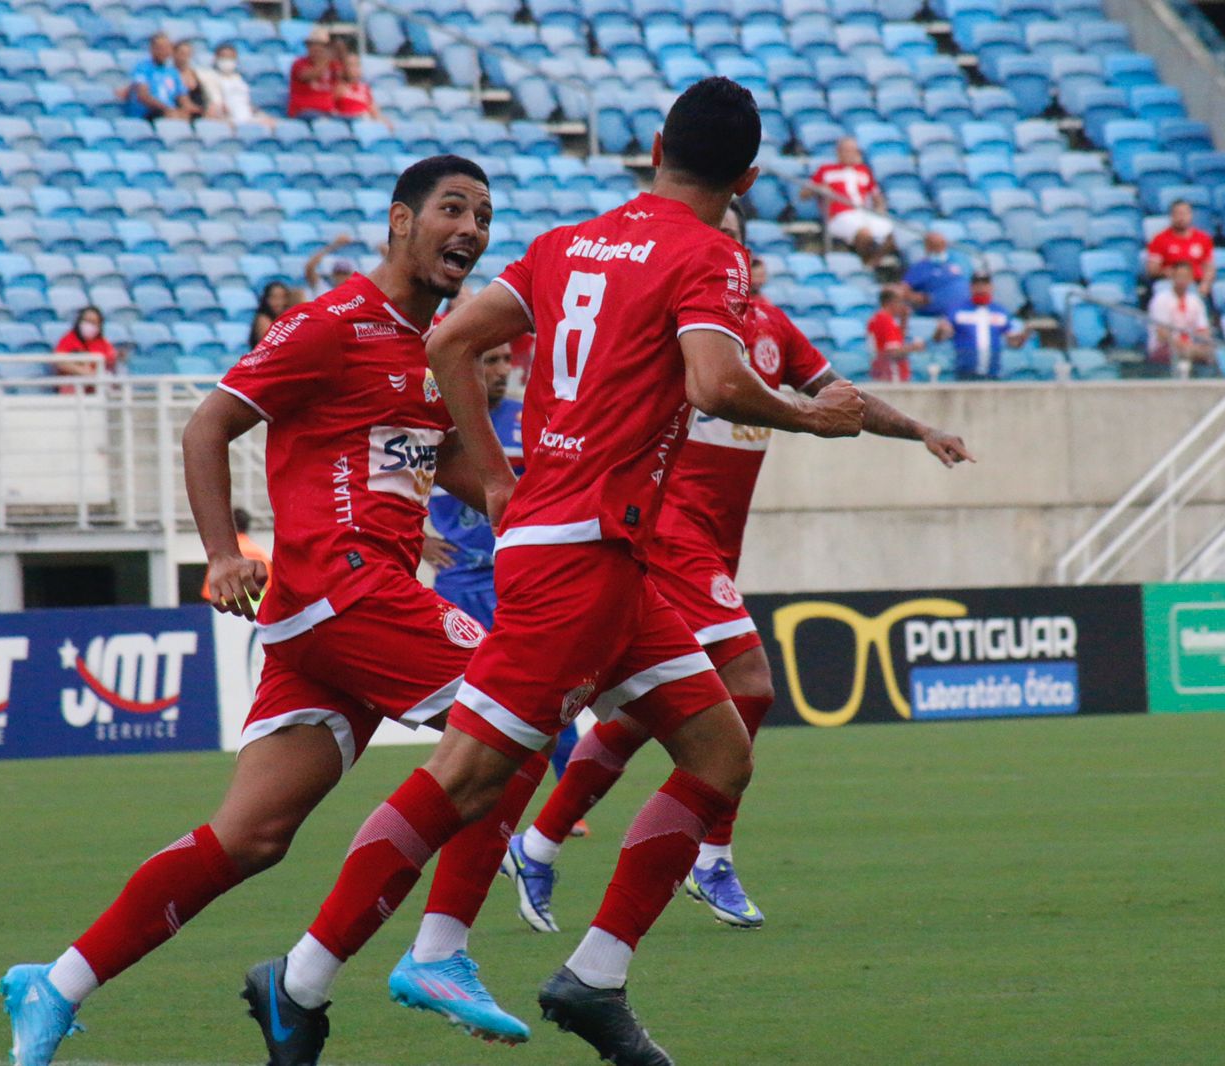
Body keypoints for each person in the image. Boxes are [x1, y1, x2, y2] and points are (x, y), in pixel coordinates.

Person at [245, 77, 865, 1066]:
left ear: (655, 142)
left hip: (606, 556)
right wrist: (810, 415)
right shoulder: (708, 252)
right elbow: (712, 380)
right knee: (467, 773)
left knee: (719, 751)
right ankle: (302, 978)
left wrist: (492, 478)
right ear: (747, 176)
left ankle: (594, 978)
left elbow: (450, 339)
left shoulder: (570, 240)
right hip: (579, 556)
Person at [0, 156, 548, 1065]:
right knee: (513, 718)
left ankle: (54, 984)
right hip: (341, 588)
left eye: (486, 215)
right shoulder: (333, 322)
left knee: (250, 837)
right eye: (453, 208)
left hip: (340, 610)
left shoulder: (436, 343)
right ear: (399, 222)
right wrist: (223, 552)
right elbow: (207, 423)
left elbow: (446, 466)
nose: (473, 229)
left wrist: (549, 488)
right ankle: (434, 952)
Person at [506, 200, 969, 934]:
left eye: (735, 246)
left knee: (644, 712)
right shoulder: (666, 310)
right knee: (750, 684)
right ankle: (710, 854)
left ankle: (535, 845)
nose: (725, 257)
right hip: (669, 531)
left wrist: (920, 430)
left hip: (716, 545)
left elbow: (839, 398)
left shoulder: (773, 329)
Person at [421, 342, 588, 826]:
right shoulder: (443, 423)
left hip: (522, 579)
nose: (499, 371)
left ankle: (564, 809)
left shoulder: (528, 419)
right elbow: (396, 477)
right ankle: (474, 801)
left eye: (502, 361)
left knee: (551, 693)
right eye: (485, 360)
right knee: (468, 700)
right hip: (458, 582)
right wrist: (416, 541)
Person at [801, 137, 894, 266]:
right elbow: (804, 194)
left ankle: (871, 264)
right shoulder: (826, 170)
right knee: (864, 234)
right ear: (839, 152)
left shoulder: (864, 171)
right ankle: (863, 264)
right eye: (847, 151)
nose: (851, 154)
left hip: (864, 213)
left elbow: (876, 195)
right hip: (840, 214)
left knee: (894, 234)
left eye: (854, 151)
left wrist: (880, 208)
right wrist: (819, 188)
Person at [934, 270, 1031, 381]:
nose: (981, 288)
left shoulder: (1000, 312)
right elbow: (940, 337)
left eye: (984, 284)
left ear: (991, 287)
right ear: (971, 287)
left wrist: (1020, 339)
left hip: (993, 372)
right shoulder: (958, 311)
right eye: (977, 285)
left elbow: (1012, 342)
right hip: (965, 372)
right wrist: (941, 330)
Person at [1146, 261, 1216, 377]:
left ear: (1191, 278)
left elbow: (1203, 329)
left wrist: (1203, 344)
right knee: (1184, 352)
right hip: (1164, 347)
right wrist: (1183, 346)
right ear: (1172, 277)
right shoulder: (1161, 299)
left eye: (1185, 277)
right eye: (1179, 276)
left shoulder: (1195, 301)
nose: (1182, 280)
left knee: (1211, 353)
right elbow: (1162, 334)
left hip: (1191, 346)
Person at [200, 508, 272, 603]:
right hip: (258, 611)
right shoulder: (261, 554)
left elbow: (210, 593)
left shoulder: (222, 557)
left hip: (227, 612)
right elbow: (271, 590)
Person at [1146, 200, 1215, 297]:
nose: (1181, 217)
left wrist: (1205, 284)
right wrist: (1166, 272)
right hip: (1170, 284)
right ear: (1171, 216)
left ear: (1191, 215)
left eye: (1184, 213)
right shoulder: (1159, 239)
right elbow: (1152, 270)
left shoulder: (1203, 238)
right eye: (1177, 214)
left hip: (1196, 283)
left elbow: (1209, 267)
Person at [901, 231, 972, 317]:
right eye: (934, 245)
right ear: (927, 247)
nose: (938, 248)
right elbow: (903, 290)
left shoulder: (959, 260)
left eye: (941, 244)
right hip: (936, 316)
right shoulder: (921, 267)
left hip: (963, 314)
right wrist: (917, 297)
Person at [202, 42, 273, 128]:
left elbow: (246, 100)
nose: (227, 61)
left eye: (231, 58)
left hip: (246, 115)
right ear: (216, 58)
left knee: (271, 123)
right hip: (228, 117)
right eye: (224, 57)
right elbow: (216, 102)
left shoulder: (238, 78)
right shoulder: (211, 76)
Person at [123, 33, 191, 122]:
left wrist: (186, 111)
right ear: (152, 49)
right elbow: (143, 96)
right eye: (160, 48)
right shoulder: (143, 68)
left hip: (170, 112)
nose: (164, 51)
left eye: (167, 48)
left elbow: (183, 98)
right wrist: (167, 109)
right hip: (148, 113)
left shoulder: (172, 72)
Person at [867, 285, 922, 383]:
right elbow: (893, 353)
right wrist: (914, 347)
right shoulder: (885, 320)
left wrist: (904, 321)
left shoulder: (878, 318)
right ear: (891, 303)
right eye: (901, 301)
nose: (904, 306)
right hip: (891, 375)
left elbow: (895, 343)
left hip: (883, 373)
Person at [52, 305, 118, 384]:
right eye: (87, 321)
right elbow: (59, 360)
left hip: (98, 385)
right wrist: (84, 372)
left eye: (94, 323)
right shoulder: (69, 339)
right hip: (74, 385)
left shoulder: (102, 342)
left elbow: (110, 359)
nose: (90, 326)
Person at [333, 46, 393, 129]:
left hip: (365, 122)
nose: (355, 69)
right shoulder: (339, 87)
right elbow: (332, 110)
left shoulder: (364, 88)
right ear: (343, 68)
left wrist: (385, 122)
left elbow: (374, 110)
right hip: (349, 123)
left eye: (357, 65)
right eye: (350, 65)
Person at [288, 26, 341, 118]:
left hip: (328, 112)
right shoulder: (299, 64)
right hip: (304, 112)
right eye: (314, 45)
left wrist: (341, 53)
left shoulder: (333, 65)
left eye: (323, 46)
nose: (318, 49)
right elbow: (309, 75)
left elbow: (342, 81)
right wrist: (325, 61)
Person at [172, 39, 208, 119]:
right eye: (182, 53)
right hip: (182, 110)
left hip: (199, 111)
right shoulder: (170, 74)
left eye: (188, 54)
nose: (184, 57)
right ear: (174, 54)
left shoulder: (196, 74)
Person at [249, 281, 291, 348]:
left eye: (282, 297)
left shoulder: (289, 317)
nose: (278, 302)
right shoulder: (262, 319)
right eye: (274, 297)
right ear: (266, 299)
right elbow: (270, 345)